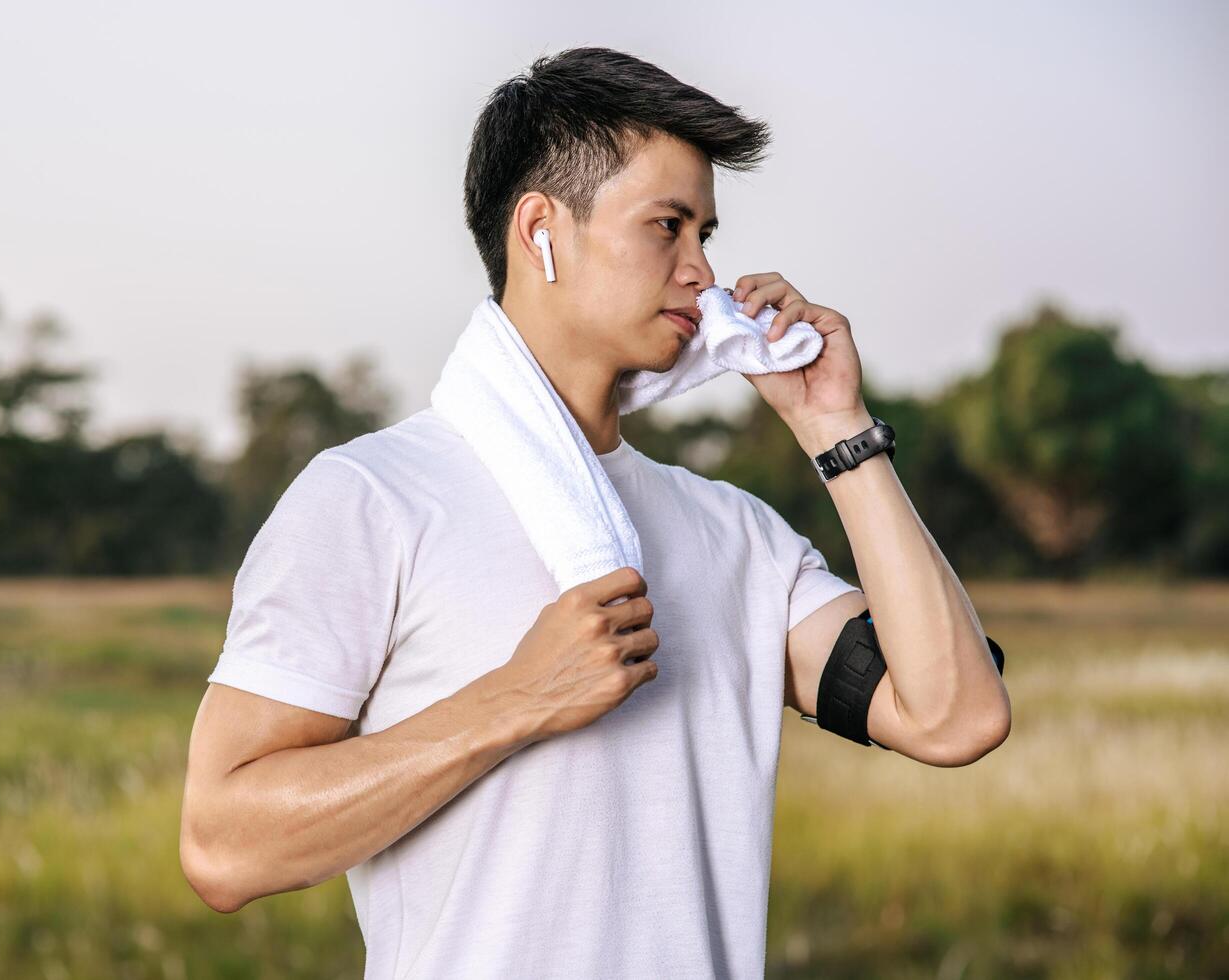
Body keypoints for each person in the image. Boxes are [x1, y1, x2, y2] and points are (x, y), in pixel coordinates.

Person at [179, 46, 1012, 978]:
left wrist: (837, 428)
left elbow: (953, 719)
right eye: (668, 226)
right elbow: (222, 847)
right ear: (539, 231)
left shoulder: (731, 533)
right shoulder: (371, 498)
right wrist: (514, 701)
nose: (703, 271)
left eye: (706, 233)